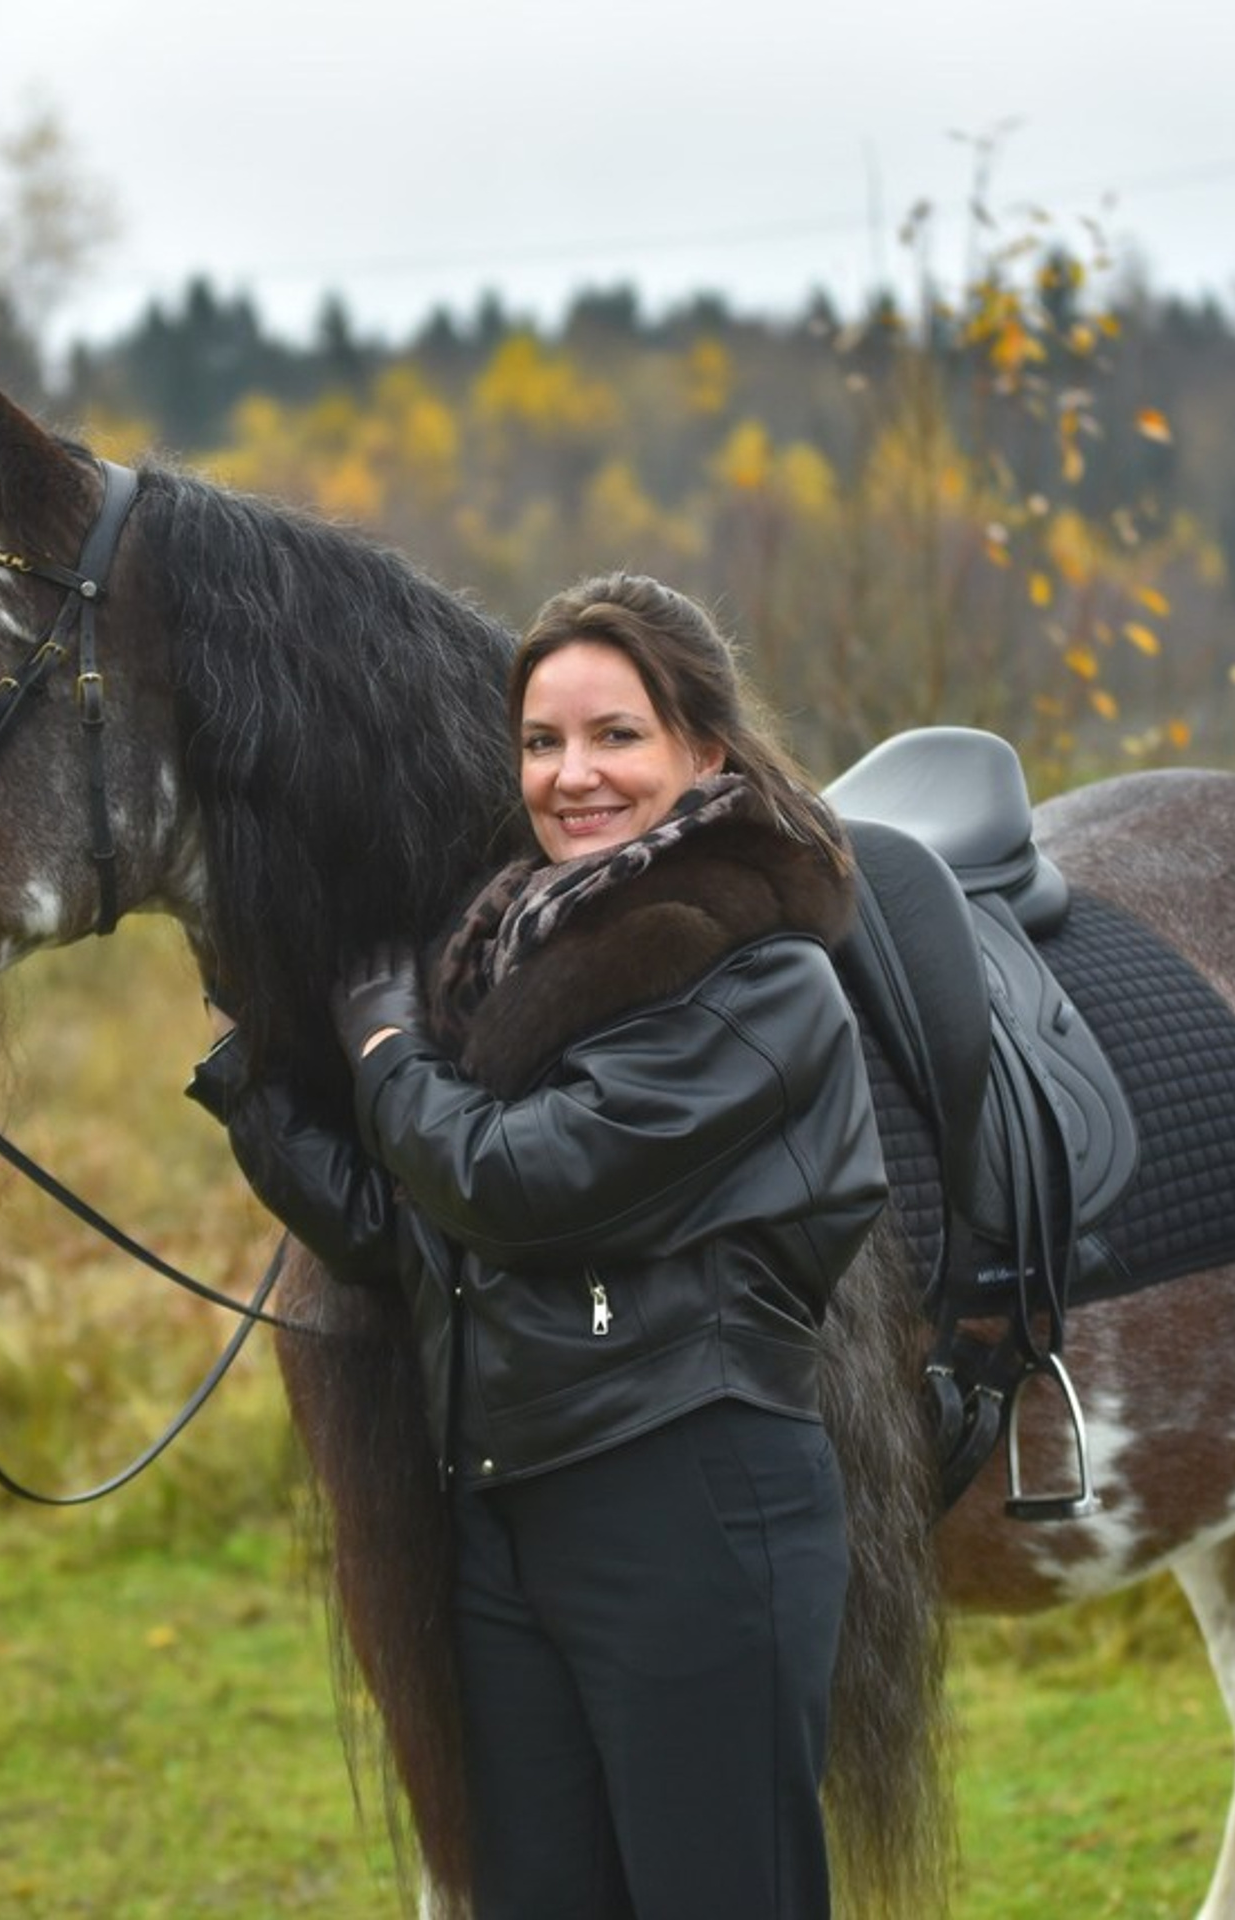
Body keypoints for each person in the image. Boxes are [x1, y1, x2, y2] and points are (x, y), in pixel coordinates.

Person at [189, 572, 887, 1919]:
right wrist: (258, 1074)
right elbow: (422, 1240)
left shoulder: (756, 980)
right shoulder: (505, 955)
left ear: (706, 753)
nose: (573, 776)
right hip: (515, 1518)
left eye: (617, 735)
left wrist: (386, 1045)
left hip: (691, 1510)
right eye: (542, 742)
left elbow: (515, 1180)